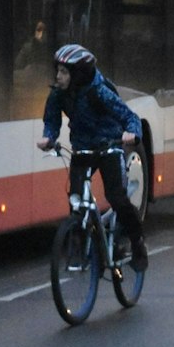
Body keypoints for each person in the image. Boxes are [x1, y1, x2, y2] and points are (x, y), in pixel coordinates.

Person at [37, 44, 146, 270]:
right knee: (76, 198)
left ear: (77, 75)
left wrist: (132, 133)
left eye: (64, 72)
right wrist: (49, 137)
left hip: (109, 146)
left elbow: (129, 117)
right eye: (57, 70)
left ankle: (137, 242)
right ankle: (77, 249)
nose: (58, 76)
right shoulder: (58, 93)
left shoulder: (99, 91)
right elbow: (51, 120)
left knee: (116, 197)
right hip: (83, 148)